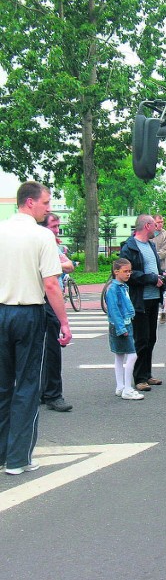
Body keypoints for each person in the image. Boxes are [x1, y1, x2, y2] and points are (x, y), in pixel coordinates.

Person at [0, 181, 72, 476]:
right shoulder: (42, 235)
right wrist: (64, 322)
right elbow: (51, 283)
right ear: (30, 202)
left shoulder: (1, 230)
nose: (48, 209)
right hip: (29, 312)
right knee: (28, 385)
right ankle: (18, 458)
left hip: (1, 311)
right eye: (46, 203)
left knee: (3, 386)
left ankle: (2, 452)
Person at [119, 214, 166, 392]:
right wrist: (151, 278)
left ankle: (147, 374)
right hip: (139, 300)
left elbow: (153, 269)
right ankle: (138, 378)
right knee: (141, 339)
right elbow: (128, 275)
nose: (157, 227)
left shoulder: (151, 245)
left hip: (153, 297)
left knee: (151, 338)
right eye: (155, 225)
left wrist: (162, 276)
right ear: (147, 226)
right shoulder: (129, 248)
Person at [38, 213, 74, 412]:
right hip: (44, 299)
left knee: (46, 349)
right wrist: (64, 321)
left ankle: (45, 392)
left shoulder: (52, 245)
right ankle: (52, 394)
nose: (57, 230)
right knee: (49, 349)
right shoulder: (41, 243)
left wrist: (58, 265)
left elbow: (69, 265)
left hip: (45, 300)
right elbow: (53, 279)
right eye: (54, 226)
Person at [105, 258, 143, 400]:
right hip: (121, 325)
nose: (128, 274)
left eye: (130, 271)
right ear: (116, 272)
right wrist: (122, 328)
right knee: (132, 355)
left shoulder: (121, 286)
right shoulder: (114, 289)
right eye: (125, 271)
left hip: (123, 324)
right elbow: (114, 310)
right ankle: (127, 388)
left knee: (119, 356)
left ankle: (120, 386)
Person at [151, 214, 166, 324]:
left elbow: (165, 251)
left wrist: (151, 256)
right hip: (148, 267)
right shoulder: (149, 234)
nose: (160, 224)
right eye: (158, 222)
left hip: (160, 266)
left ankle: (163, 308)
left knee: (160, 290)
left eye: (162, 222)